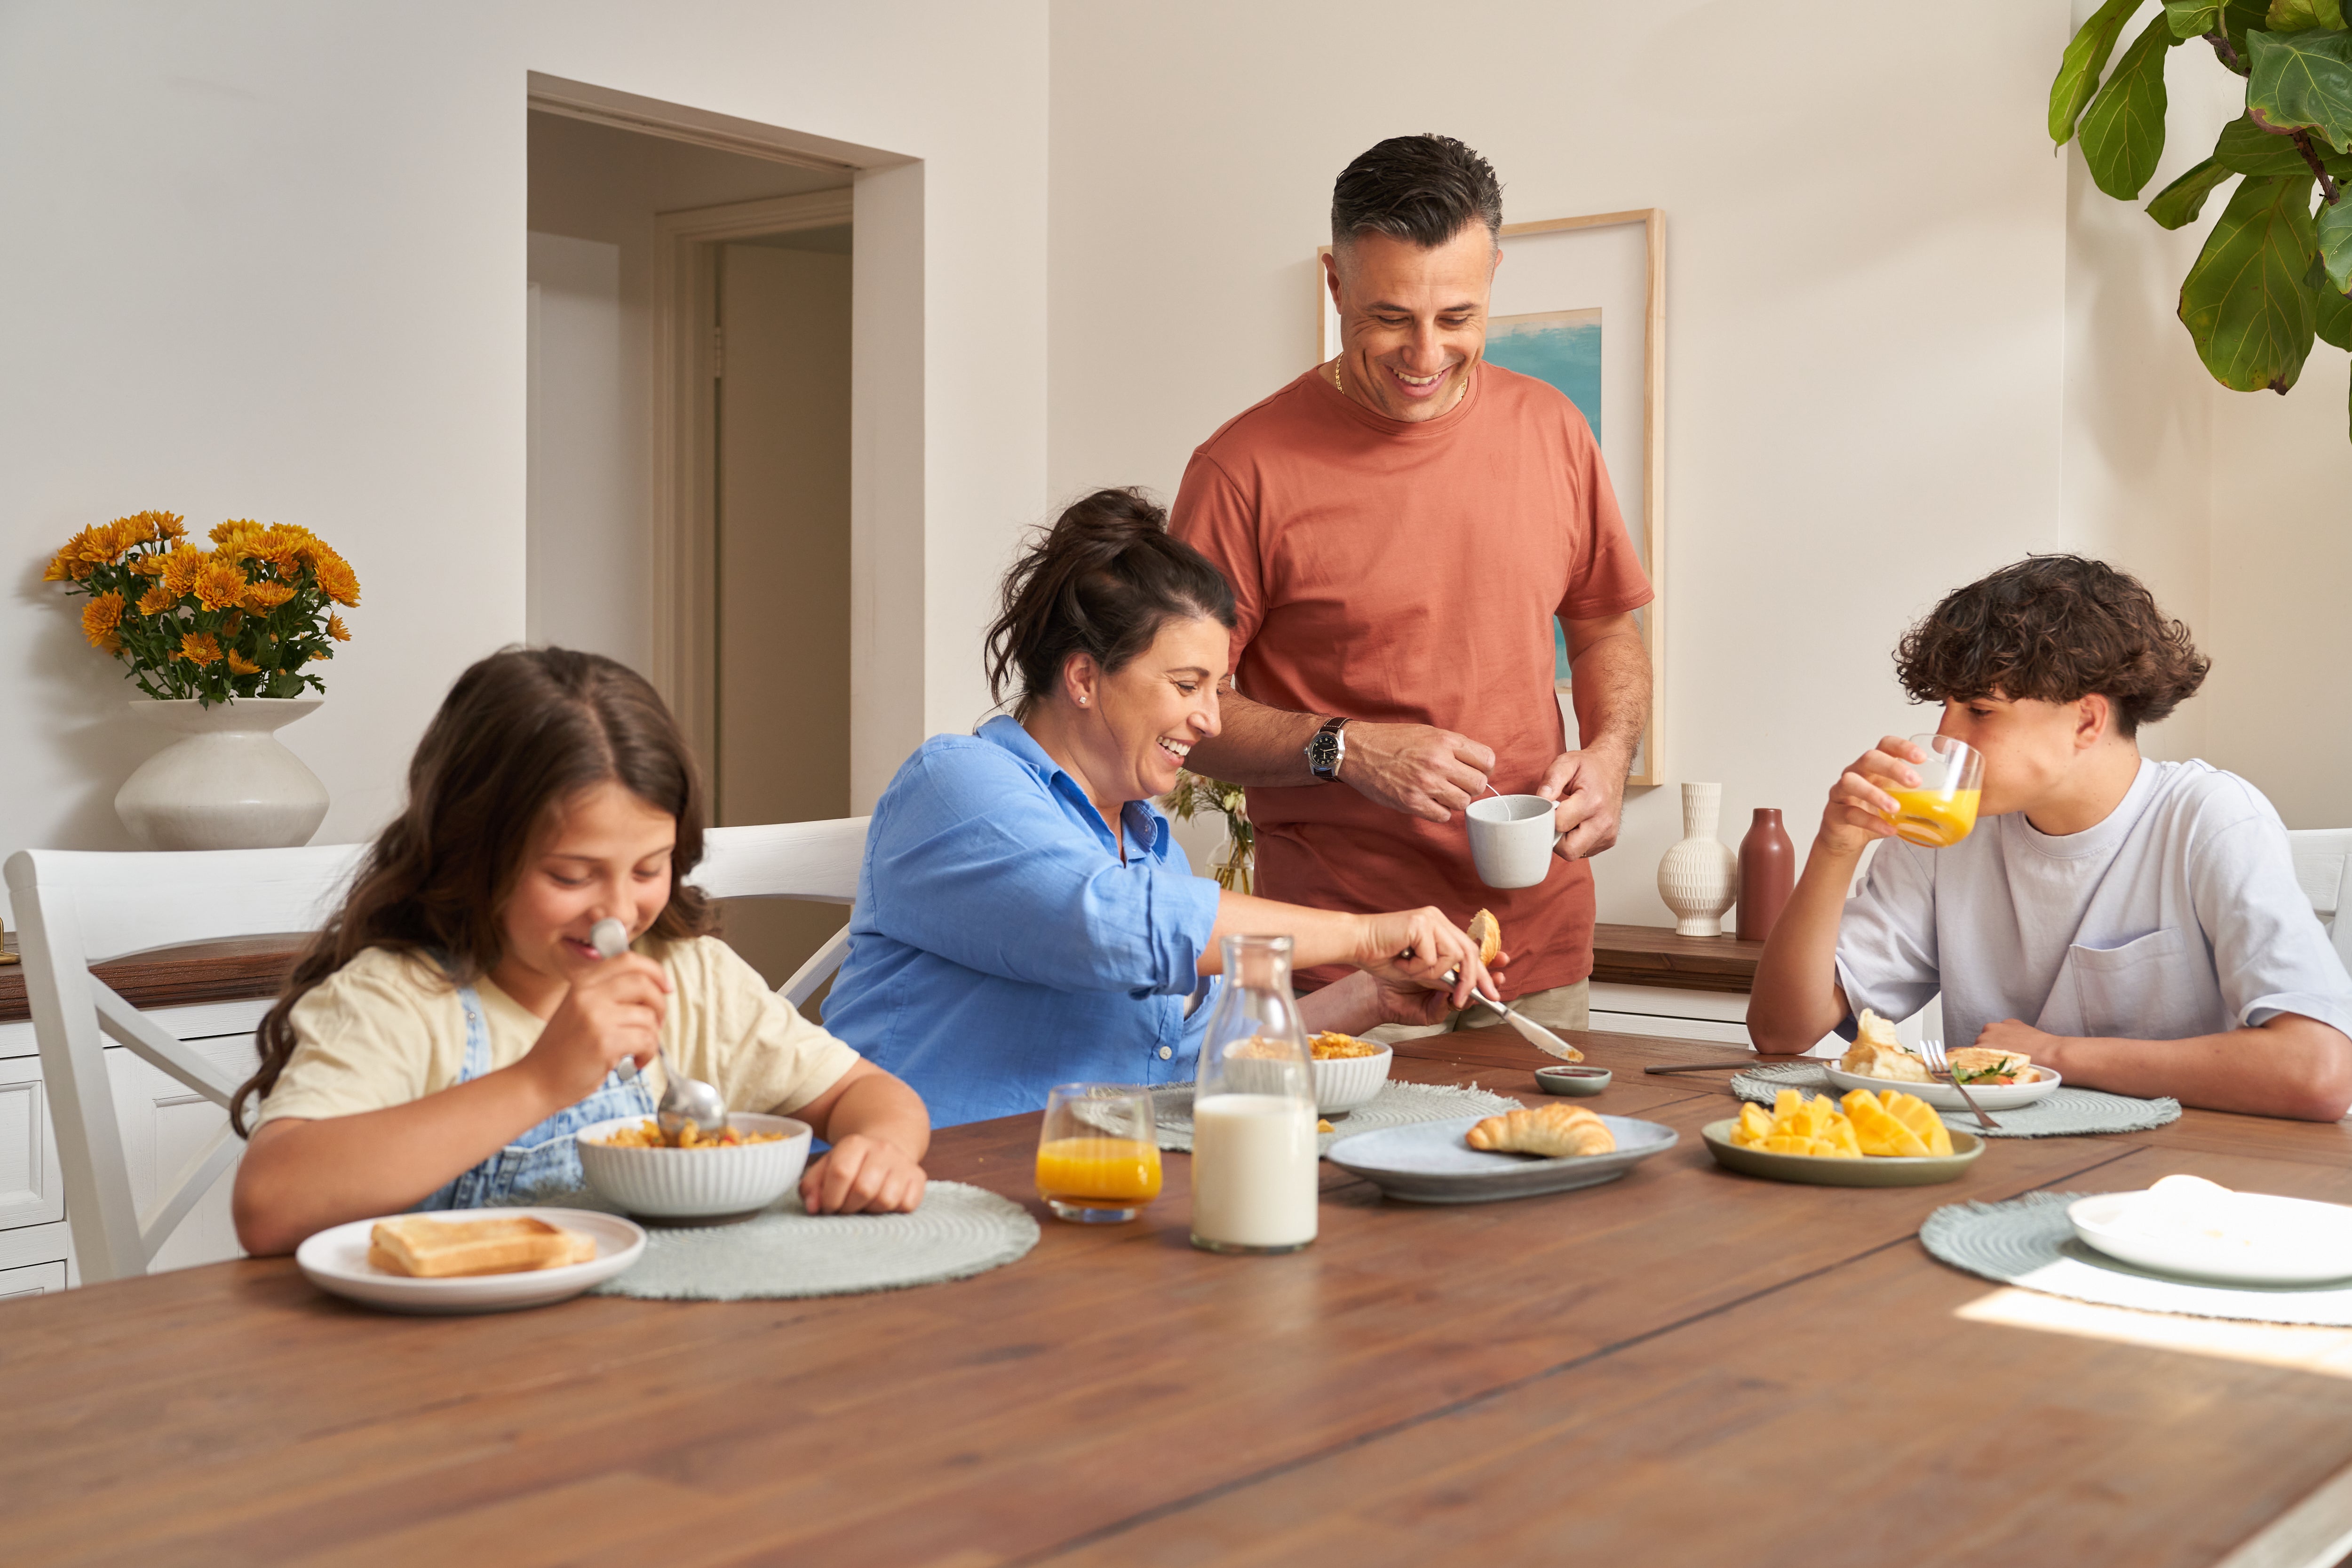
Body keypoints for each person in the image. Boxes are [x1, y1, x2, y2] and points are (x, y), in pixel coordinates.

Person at [1168, 133, 1653, 1039]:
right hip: (1349, 968)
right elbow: (1179, 714)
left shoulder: (1553, 428)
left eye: (1458, 316)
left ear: (1496, 274)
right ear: (1335, 282)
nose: (1425, 354)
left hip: (1537, 953)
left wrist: (1612, 751)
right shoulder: (1242, 469)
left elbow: (1602, 627)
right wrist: (1345, 749)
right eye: (1390, 316)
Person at [819, 489, 1502, 1127]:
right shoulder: (954, 785)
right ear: (1085, 678)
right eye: (1187, 685)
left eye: (1218, 688)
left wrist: (1372, 994)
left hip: (1091, 1191)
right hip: (926, 1186)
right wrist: (1366, 934)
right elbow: (1108, 928)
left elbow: (1184, 1057)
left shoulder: (1150, 846)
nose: (1210, 719)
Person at [230, 648, 931, 1255]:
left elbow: (869, 1094)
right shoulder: (398, 998)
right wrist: (541, 1079)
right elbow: (269, 1204)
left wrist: (880, 1151)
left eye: (650, 869)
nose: (618, 912)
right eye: (570, 876)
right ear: (473, 855)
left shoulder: (687, 976)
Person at [1748, 556, 2352, 1122]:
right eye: (1944, 707)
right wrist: (1835, 848)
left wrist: (2055, 1054)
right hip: (1993, 1163)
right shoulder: (1946, 829)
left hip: (2176, 1180)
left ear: (2086, 720)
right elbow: (1781, 1031)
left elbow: (2319, 1071)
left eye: (1979, 711)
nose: (1942, 736)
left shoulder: (2209, 820)